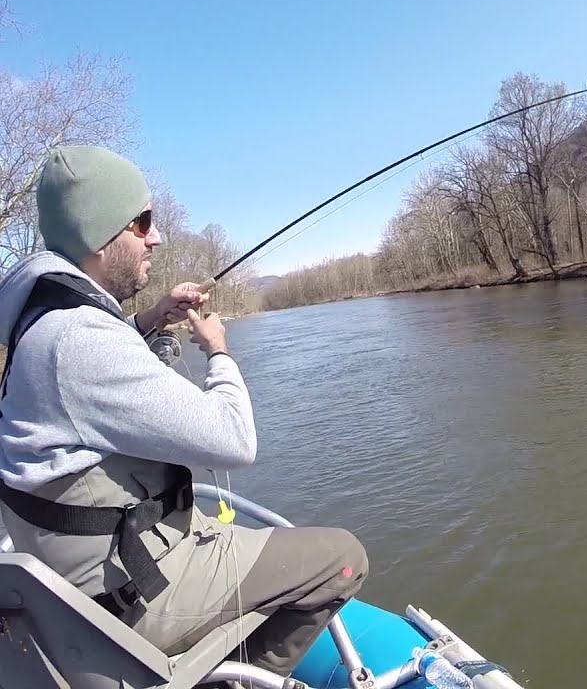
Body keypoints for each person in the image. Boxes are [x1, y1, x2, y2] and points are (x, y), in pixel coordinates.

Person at [0, 145, 368, 677]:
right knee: (343, 557)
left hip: (80, 583)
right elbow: (235, 440)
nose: (155, 237)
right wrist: (219, 351)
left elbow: (89, 371)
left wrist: (152, 316)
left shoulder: (43, 319)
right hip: (127, 599)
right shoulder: (78, 340)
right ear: (100, 236)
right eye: (142, 222)